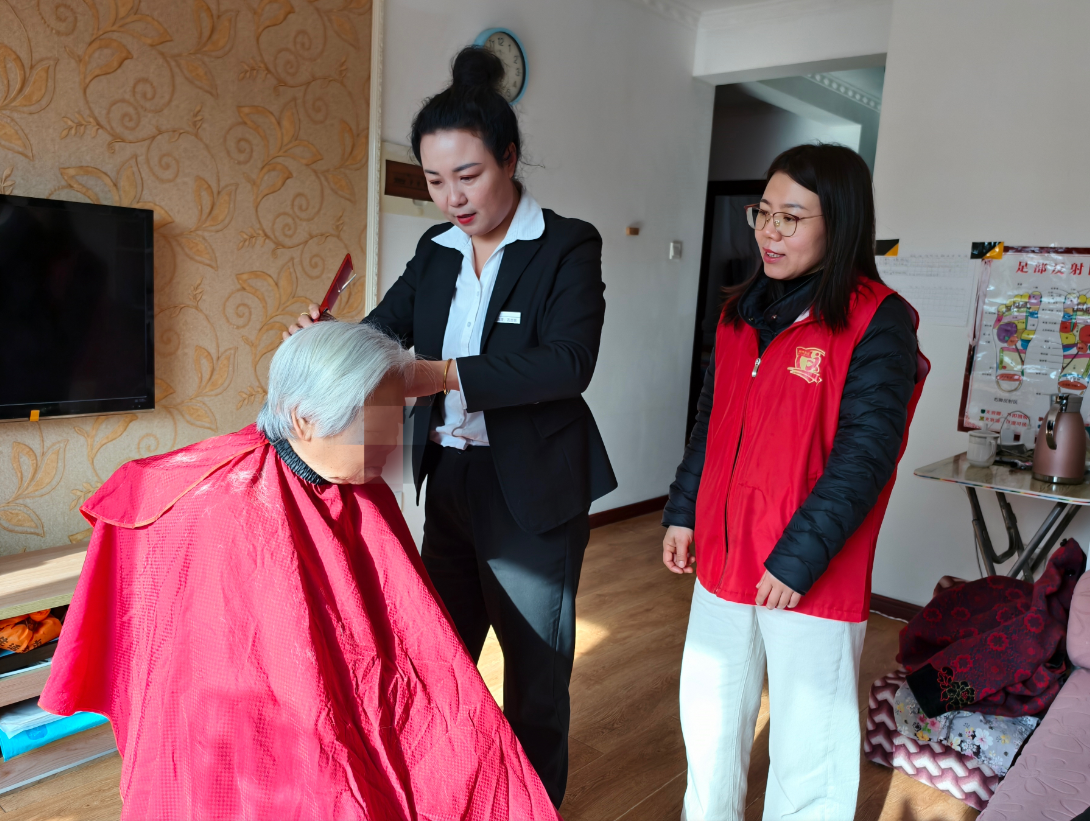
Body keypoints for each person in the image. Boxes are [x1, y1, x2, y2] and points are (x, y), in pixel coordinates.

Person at [39, 322, 560, 820]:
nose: (394, 440)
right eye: (377, 421)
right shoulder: (226, 504)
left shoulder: (362, 487)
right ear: (303, 418)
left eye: (399, 418)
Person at [289, 45, 616, 806]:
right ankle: (452, 795)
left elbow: (568, 362)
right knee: (439, 655)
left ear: (510, 159)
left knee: (535, 677)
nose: (451, 198)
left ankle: (532, 807)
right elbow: (382, 332)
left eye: (467, 175)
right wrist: (330, 338)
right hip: (452, 478)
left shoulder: (566, 244)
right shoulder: (435, 251)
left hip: (532, 491)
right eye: (435, 181)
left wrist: (443, 374)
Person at [661, 143, 930, 820]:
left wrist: (797, 558)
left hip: (810, 572)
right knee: (710, 722)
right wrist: (684, 509)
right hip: (725, 555)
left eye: (791, 217)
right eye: (763, 213)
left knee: (809, 752)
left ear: (840, 223)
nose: (769, 231)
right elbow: (710, 422)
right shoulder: (739, 311)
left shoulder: (877, 320)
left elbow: (866, 457)